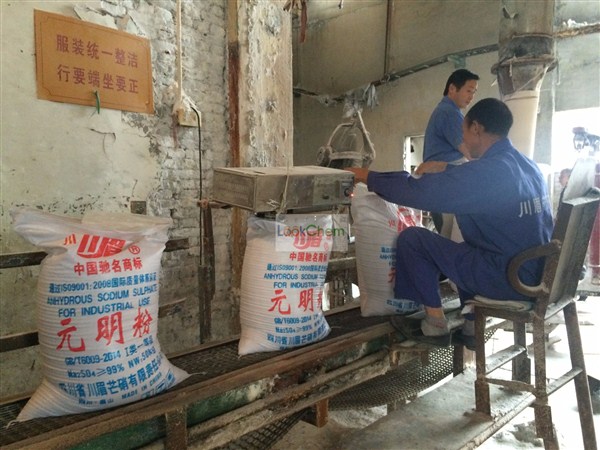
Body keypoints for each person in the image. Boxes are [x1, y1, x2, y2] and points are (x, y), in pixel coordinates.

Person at [346, 98, 553, 347]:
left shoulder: (490, 173)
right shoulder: (528, 167)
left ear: (476, 128)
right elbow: (473, 181)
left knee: (414, 239)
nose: (462, 139)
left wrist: (367, 176)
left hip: (508, 279)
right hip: (536, 275)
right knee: (468, 250)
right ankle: (471, 327)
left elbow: (420, 192)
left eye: (463, 131)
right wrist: (445, 168)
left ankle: (435, 324)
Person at [422, 69, 479, 236]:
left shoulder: (446, 111)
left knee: (447, 235)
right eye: (469, 91)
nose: (471, 97)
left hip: (440, 184)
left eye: (474, 92)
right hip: (444, 184)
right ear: (452, 88)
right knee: (449, 236)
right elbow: (471, 154)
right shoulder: (449, 113)